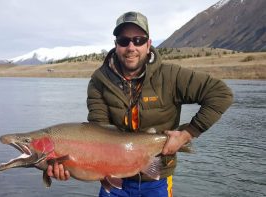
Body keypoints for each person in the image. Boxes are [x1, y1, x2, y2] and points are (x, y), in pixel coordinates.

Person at [47, 11, 233, 197]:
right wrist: (72, 166)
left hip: (157, 178)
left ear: (148, 44)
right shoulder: (99, 81)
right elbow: (98, 130)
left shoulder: (171, 76)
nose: (131, 47)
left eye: (138, 40)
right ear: (116, 45)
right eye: (123, 41)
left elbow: (221, 94)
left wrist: (187, 133)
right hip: (113, 177)